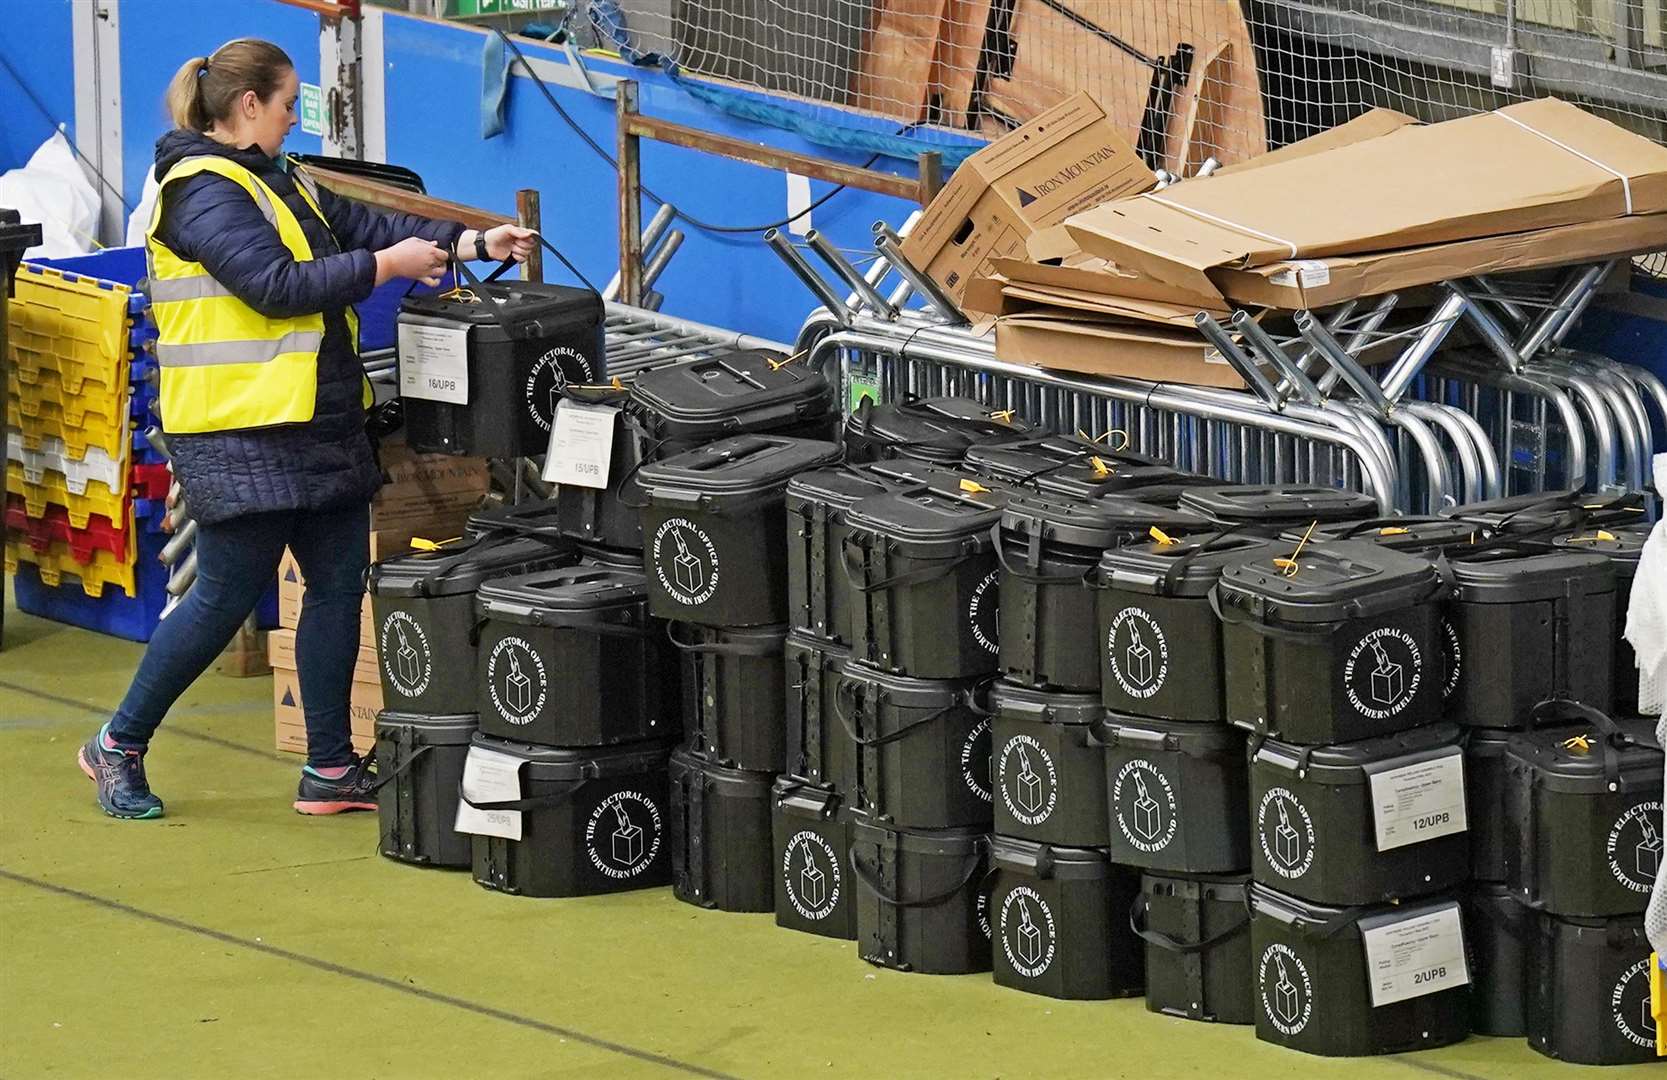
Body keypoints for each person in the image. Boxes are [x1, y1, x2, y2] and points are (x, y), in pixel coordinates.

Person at [77, 38, 535, 819]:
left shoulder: (279, 177)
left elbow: (366, 222)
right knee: (222, 599)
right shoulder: (201, 193)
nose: (295, 119)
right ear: (248, 104)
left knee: (334, 587)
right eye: (289, 104)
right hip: (237, 434)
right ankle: (117, 744)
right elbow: (274, 286)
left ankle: (329, 768)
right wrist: (386, 269)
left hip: (318, 421)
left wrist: (467, 242)